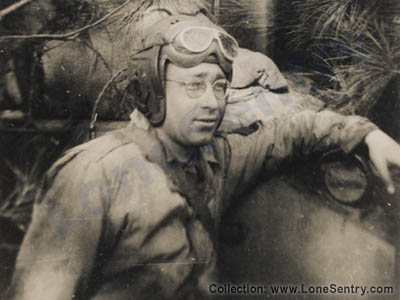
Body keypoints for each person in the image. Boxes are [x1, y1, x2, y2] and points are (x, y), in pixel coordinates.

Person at [5, 13, 400, 300]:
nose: (212, 102)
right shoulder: (94, 175)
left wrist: (368, 135)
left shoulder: (215, 160)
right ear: (154, 92)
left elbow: (290, 133)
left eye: (220, 87)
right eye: (194, 86)